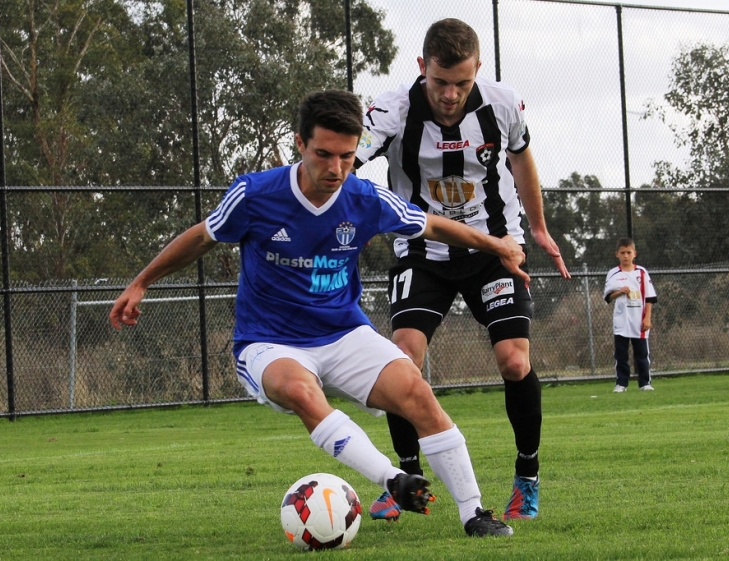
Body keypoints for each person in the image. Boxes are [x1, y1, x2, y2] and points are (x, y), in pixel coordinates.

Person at [109, 90, 519, 538]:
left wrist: (496, 243)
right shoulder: (255, 194)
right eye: (324, 154)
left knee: (416, 393)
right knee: (302, 391)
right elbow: (203, 237)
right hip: (270, 340)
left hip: (343, 332)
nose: (336, 168)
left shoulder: (365, 199)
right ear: (300, 144)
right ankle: (391, 480)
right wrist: (141, 282)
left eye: (346, 156)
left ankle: (474, 513)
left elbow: (432, 224)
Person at [355, 18, 571, 522]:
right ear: (421, 69)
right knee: (401, 359)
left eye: (462, 83)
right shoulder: (391, 111)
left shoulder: (502, 104)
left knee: (515, 361)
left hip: (493, 249)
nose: (450, 94)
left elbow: (521, 161)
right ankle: (404, 479)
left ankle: (527, 477)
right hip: (421, 251)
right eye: (439, 81)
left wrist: (536, 228)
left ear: (478, 71)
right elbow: (348, 158)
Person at [603, 238, 657, 392]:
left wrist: (647, 318)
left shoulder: (641, 272)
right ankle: (621, 383)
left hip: (639, 321)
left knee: (641, 354)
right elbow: (607, 297)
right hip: (621, 321)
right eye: (622, 253)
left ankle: (645, 383)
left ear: (634, 254)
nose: (625, 256)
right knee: (621, 355)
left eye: (628, 252)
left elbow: (650, 297)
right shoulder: (613, 273)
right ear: (617, 254)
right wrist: (619, 292)